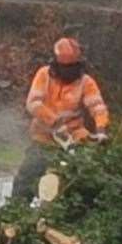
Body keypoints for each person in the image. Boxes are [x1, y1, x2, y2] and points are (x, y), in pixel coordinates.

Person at [11, 37, 110, 201]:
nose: (69, 71)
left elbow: (97, 106)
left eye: (72, 67)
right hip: (44, 138)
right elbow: (34, 103)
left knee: (87, 176)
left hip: (75, 137)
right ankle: (15, 211)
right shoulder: (44, 75)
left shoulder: (85, 82)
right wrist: (54, 122)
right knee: (27, 176)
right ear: (56, 64)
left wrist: (101, 130)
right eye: (65, 67)